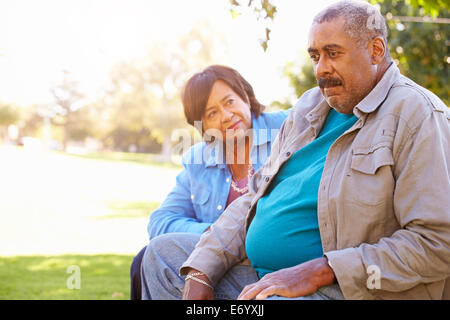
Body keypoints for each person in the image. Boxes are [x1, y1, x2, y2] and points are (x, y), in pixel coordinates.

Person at [141, 0, 450, 300]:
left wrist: (324, 269)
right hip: (264, 275)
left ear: (375, 50)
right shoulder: (308, 107)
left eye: (333, 54)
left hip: (351, 288)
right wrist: (202, 270)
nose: (322, 69)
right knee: (162, 258)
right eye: (315, 56)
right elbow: (254, 197)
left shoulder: (417, 115)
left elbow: (438, 242)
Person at [129, 65, 289, 299]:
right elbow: (160, 221)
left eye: (230, 102)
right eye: (211, 113)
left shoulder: (287, 127)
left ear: (245, 96)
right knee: (147, 257)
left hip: (273, 261)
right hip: (220, 264)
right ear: (202, 125)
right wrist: (213, 234)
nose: (225, 116)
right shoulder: (199, 160)